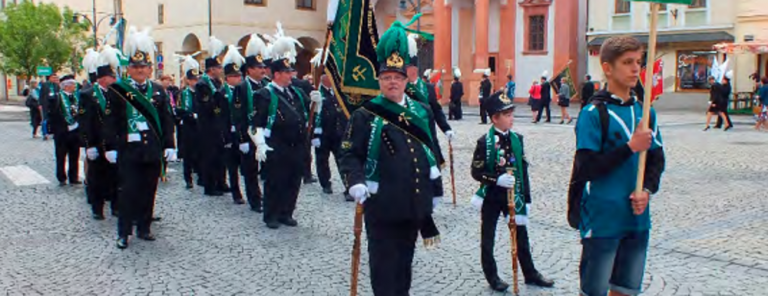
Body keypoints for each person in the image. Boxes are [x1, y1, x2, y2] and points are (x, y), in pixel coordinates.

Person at [340, 20, 444, 295]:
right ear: (380, 81)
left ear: (406, 79)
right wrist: (355, 180)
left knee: (404, 266)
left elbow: (429, 152)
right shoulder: (365, 114)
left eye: (397, 78)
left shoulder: (421, 111)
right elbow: (349, 154)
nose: (392, 82)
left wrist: (434, 191)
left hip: (413, 204)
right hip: (382, 206)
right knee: (384, 268)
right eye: (387, 78)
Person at [574, 36, 665, 296]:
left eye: (638, 62)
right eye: (627, 62)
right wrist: (630, 148)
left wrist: (647, 189)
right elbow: (586, 168)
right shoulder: (593, 114)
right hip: (603, 219)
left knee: (626, 290)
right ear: (607, 67)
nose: (636, 68)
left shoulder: (646, 112)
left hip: (636, 219)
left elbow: (657, 160)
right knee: (594, 291)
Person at [470, 90, 554, 292]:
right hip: (492, 195)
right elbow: (476, 171)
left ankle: (530, 273)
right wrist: (496, 179)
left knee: (521, 234)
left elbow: (523, 169)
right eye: (507, 115)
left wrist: (527, 198)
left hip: (513, 194)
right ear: (495, 119)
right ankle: (492, 276)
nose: (511, 119)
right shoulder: (484, 142)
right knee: (488, 237)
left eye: (511, 114)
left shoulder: (518, 139)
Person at [104, 27, 176, 249]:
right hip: (129, 151)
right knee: (127, 192)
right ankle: (124, 233)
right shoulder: (118, 90)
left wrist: (170, 145)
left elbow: (166, 120)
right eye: (135, 67)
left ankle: (144, 228)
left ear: (149, 69)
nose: (140, 70)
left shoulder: (157, 91)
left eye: (143, 67)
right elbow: (110, 121)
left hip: (152, 150)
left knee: (149, 191)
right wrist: (110, 147)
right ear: (129, 69)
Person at [252, 27, 311, 229]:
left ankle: (287, 212)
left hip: (296, 145)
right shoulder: (264, 94)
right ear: (276, 74)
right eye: (286, 73)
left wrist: (317, 104)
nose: (290, 76)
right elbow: (256, 124)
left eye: (291, 72)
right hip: (276, 145)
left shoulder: (295, 93)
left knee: (293, 181)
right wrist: (259, 143)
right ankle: (271, 215)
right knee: (275, 182)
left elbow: (308, 112)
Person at [80, 45, 121, 220]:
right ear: (103, 79)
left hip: (113, 142)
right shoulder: (88, 95)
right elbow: (85, 122)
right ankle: (97, 208)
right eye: (112, 77)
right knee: (96, 177)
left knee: (115, 177)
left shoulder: (116, 94)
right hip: (96, 142)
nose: (114, 80)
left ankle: (116, 206)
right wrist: (88, 145)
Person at [235, 33, 270, 212]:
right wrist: (241, 139)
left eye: (263, 67)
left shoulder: (267, 84)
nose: (262, 70)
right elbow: (238, 115)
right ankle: (254, 200)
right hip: (249, 134)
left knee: (267, 169)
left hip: (266, 133)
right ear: (249, 70)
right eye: (258, 67)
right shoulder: (241, 88)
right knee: (250, 170)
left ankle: (267, 197)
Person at [196, 36, 229, 196]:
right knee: (210, 156)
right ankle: (210, 186)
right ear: (211, 69)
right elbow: (206, 104)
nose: (220, 70)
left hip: (219, 123)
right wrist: (219, 98)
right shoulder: (202, 84)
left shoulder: (217, 83)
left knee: (220, 155)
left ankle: (221, 182)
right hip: (208, 124)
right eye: (218, 67)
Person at [311, 74, 350, 200]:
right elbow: (311, 115)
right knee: (322, 160)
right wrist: (313, 135)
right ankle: (325, 183)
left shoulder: (338, 92)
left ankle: (348, 186)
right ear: (323, 78)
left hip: (338, 132)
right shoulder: (316, 92)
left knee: (342, 160)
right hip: (323, 133)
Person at [217, 45, 247, 205]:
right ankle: (236, 193)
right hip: (229, 133)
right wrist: (224, 137)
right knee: (232, 167)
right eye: (234, 76)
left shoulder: (243, 91)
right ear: (227, 78)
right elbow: (219, 118)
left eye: (239, 76)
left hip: (241, 132)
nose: (238, 79)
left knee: (247, 165)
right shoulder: (221, 94)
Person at [48, 73, 82, 186]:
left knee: (74, 155)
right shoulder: (57, 97)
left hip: (75, 130)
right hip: (62, 131)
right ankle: (61, 177)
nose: (74, 87)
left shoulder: (76, 97)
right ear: (66, 86)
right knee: (61, 155)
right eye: (73, 85)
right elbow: (52, 114)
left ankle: (74, 176)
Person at [175, 54, 202, 189]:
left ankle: (200, 176)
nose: (196, 82)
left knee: (200, 151)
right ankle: (188, 178)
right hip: (188, 127)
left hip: (200, 127)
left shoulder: (201, 92)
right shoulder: (183, 93)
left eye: (197, 79)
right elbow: (180, 110)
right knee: (188, 154)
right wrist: (192, 115)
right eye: (193, 80)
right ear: (188, 81)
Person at [291, 69, 318, 185]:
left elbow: (310, 103)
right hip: (288, 127)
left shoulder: (300, 87)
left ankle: (306, 174)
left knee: (305, 151)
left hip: (302, 124)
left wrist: (316, 100)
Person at [40, 74, 61, 141]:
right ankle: (45, 133)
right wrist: (40, 104)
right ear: (49, 78)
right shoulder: (45, 85)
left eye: (55, 78)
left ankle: (53, 132)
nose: (54, 79)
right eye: (53, 78)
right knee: (45, 119)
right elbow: (41, 95)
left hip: (54, 103)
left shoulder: (56, 85)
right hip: (46, 103)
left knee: (54, 119)